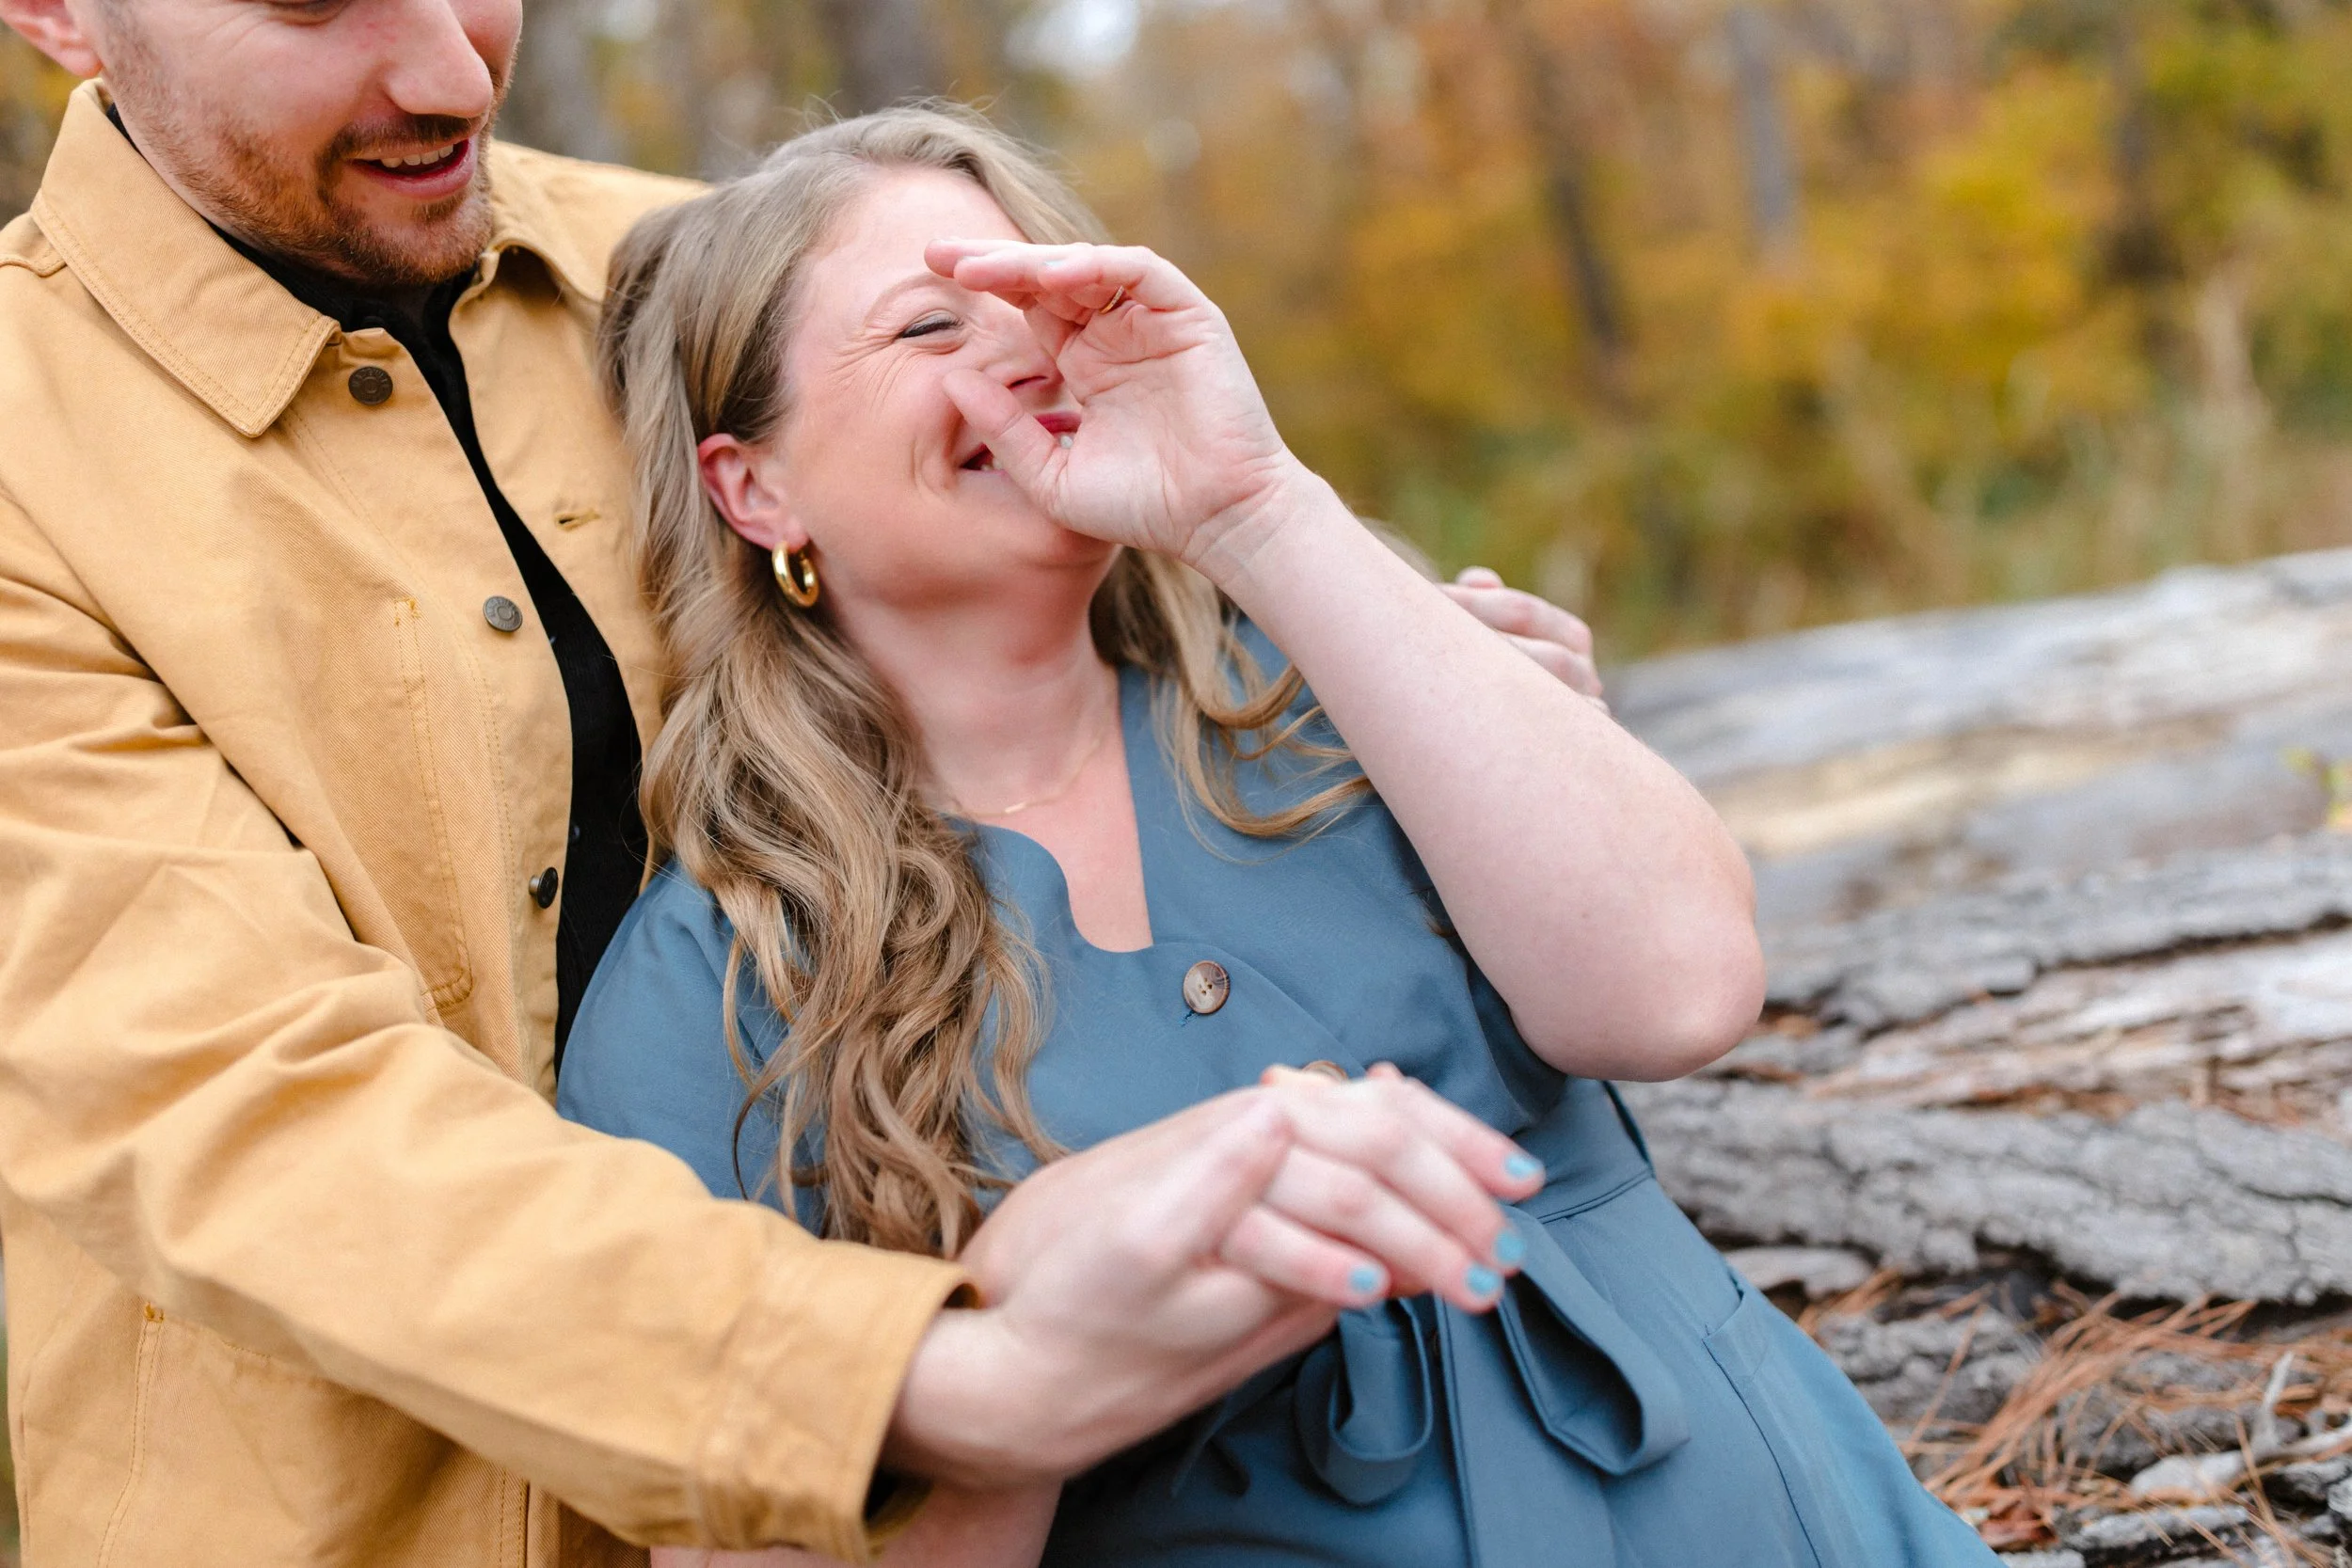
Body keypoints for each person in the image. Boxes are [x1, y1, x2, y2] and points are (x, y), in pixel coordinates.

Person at [0, 7, 1613, 1566]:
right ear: (59, 14)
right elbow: (228, 1101)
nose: (449, 66)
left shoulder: (721, 278)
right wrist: (945, 1379)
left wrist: (1461, 704)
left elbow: (1112, 617)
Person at [560, 107, 2000, 1568]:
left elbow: (1677, 988)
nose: (1015, 348)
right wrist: (1008, 1326)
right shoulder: (711, 993)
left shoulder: (1334, 671)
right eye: (932, 323)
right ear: (756, 488)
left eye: (1035, 297)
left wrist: (1252, 505)